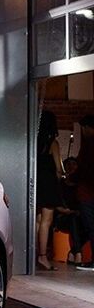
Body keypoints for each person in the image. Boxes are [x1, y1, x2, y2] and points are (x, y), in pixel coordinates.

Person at [36, 111, 64, 271]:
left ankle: (34, 254)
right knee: (47, 221)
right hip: (48, 185)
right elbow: (59, 169)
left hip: (37, 184)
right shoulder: (53, 144)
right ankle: (43, 256)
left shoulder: (35, 142)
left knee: (38, 221)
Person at [56, 157, 84, 266]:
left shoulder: (81, 186)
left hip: (79, 217)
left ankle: (73, 252)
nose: (71, 167)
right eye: (69, 164)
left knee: (87, 225)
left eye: (74, 164)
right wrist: (67, 211)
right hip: (64, 217)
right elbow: (57, 205)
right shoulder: (60, 185)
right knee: (74, 219)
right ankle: (78, 252)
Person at [75, 115, 94, 271]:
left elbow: (82, 167)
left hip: (87, 193)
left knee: (90, 226)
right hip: (88, 191)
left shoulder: (88, 145)